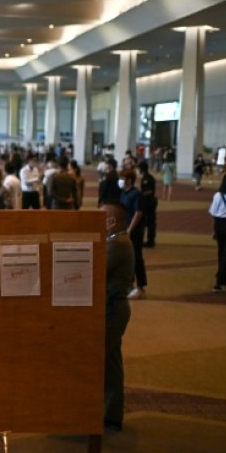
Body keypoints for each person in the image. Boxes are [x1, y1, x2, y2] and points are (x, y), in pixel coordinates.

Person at [101, 187, 134, 431]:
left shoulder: (118, 244)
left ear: (111, 220)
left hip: (112, 310)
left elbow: (96, 269)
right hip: (114, 308)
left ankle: (101, 415)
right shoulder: (117, 241)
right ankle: (111, 415)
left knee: (97, 360)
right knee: (111, 363)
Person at [119, 170, 147, 299]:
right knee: (127, 258)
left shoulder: (137, 194)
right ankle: (129, 284)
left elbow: (138, 213)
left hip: (134, 231)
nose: (120, 180)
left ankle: (140, 287)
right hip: (124, 229)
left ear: (130, 179)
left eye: (123, 178)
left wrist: (130, 229)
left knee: (136, 258)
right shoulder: (123, 193)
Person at [138, 161, 157, 246]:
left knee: (149, 221)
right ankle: (150, 240)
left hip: (148, 202)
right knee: (150, 221)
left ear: (141, 169)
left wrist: (141, 194)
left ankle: (150, 241)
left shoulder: (146, 178)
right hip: (150, 201)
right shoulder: (149, 177)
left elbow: (149, 191)